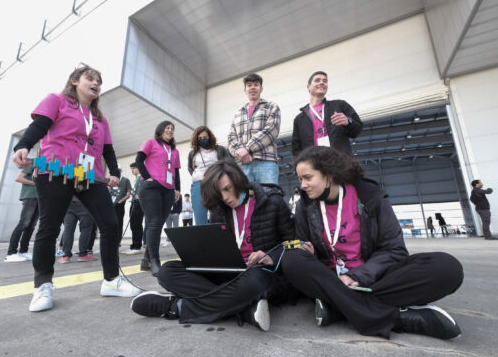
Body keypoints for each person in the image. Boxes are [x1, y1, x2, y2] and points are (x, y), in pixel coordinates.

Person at [282, 146, 463, 340]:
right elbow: (303, 246)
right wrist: (309, 254)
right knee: (292, 259)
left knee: (447, 268)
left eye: (308, 178)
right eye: (300, 179)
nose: (302, 185)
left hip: (372, 278)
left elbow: (394, 250)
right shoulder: (305, 206)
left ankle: (337, 306)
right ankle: (397, 318)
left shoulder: (370, 196)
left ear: (330, 174)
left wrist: (360, 275)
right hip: (328, 276)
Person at [12, 65, 142, 312]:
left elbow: (108, 150)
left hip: (87, 175)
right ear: (74, 81)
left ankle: (112, 281)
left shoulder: (100, 118)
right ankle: (42, 286)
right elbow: (40, 125)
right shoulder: (57, 101)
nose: (96, 84)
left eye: (99, 81)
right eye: (90, 79)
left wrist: (114, 173)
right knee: (49, 227)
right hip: (55, 171)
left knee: (110, 223)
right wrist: (25, 144)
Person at [130, 158, 294, 331]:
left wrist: (270, 256)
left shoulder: (272, 201)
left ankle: (175, 307)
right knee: (167, 272)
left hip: (260, 272)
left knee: (254, 282)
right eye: (219, 193)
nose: (224, 197)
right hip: (229, 272)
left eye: (227, 189)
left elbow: (293, 243)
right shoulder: (219, 209)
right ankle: (244, 309)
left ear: (238, 179)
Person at [135, 120, 181, 276]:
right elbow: (139, 160)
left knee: (158, 224)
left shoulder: (174, 151)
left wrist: (177, 189)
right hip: (151, 188)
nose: (170, 130)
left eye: (172, 129)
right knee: (154, 223)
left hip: (168, 190)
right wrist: (147, 177)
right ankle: (155, 261)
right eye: (167, 128)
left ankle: (146, 260)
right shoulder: (151, 142)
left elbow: (176, 171)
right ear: (160, 130)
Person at [292, 71, 363, 158]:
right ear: (308, 87)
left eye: (325, 81)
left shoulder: (340, 105)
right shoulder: (299, 119)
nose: (322, 82)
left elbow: (358, 129)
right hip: (314, 165)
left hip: (339, 162)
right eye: (317, 80)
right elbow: (296, 148)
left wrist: (348, 121)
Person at [228, 73, 281, 184]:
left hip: (266, 162)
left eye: (256, 84)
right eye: (249, 85)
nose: (252, 87)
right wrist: (240, 152)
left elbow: (271, 130)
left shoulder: (271, 107)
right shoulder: (238, 114)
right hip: (242, 165)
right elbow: (231, 138)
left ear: (261, 88)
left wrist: (247, 148)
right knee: (245, 199)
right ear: (245, 90)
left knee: (270, 198)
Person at [188, 126, 230, 225]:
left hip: (216, 183)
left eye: (205, 137)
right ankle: (203, 240)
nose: (203, 140)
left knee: (218, 216)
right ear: (196, 139)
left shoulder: (219, 149)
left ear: (210, 137)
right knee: (200, 219)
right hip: (198, 185)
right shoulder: (193, 153)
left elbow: (227, 164)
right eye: (200, 138)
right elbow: (191, 168)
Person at [4, 166, 39, 262]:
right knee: (23, 223)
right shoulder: (33, 163)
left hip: (40, 198)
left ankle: (23, 251)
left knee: (31, 226)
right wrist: (36, 183)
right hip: (30, 196)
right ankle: (11, 253)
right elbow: (19, 178)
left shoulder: (48, 165)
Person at [57, 197, 97, 263]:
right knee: (86, 229)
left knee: (68, 229)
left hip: (68, 202)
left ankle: (66, 256)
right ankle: (83, 254)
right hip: (85, 202)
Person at [122, 162, 145, 254]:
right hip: (134, 202)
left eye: (134, 168)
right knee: (133, 224)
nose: (132, 170)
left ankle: (137, 246)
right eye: (131, 168)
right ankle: (134, 245)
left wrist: (141, 196)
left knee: (136, 224)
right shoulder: (136, 178)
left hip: (139, 203)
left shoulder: (142, 177)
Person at [110, 165, 132, 245]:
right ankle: (110, 241)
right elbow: (108, 190)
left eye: (118, 170)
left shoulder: (125, 180)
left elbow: (129, 193)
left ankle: (117, 242)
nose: (117, 171)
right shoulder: (111, 179)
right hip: (110, 205)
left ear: (120, 171)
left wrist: (121, 201)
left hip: (119, 205)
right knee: (110, 223)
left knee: (119, 223)